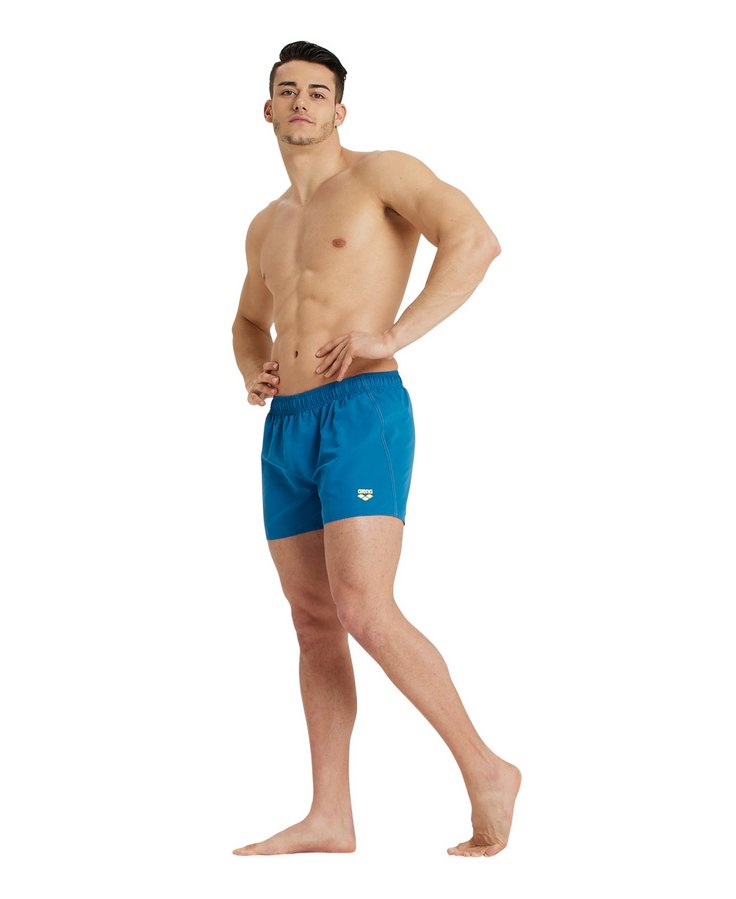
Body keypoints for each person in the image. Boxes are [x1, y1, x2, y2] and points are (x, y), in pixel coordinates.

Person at [231, 40, 521, 858]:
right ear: (267, 107)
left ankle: (487, 768)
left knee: (363, 604)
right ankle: (330, 815)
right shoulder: (266, 224)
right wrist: (254, 368)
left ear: (339, 110)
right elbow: (247, 320)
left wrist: (392, 335)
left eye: (316, 92)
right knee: (313, 618)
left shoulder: (380, 176)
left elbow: (475, 241)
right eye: (287, 90)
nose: (300, 103)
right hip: (287, 425)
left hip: (363, 411)